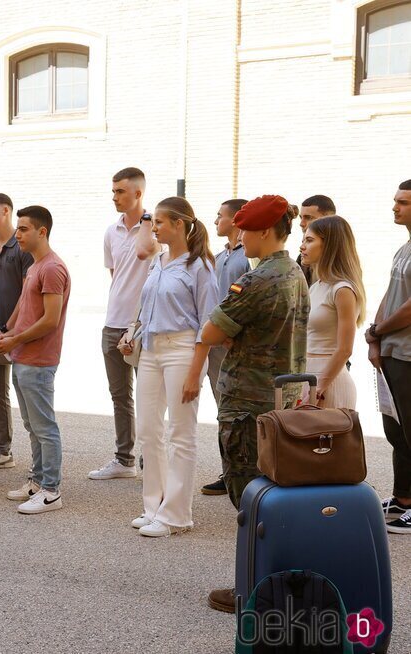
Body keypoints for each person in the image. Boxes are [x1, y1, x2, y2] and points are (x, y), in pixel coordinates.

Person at [197, 195, 309, 612]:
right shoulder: (293, 272)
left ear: (265, 232)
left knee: (251, 502)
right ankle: (287, 582)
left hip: (249, 405)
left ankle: (259, 591)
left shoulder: (259, 279)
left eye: (245, 230)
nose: (240, 237)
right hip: (283, 402)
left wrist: (228, 333)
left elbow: (211, 331)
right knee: (278, 498)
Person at [119, 198, 218, 536]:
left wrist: (196, 371)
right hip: (151, 348)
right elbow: (145, 308)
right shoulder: (158, 261)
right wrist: (131, 335)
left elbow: (209, 321)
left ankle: (177, 514)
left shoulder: (200, 266)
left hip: (183, 349)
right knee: (148, 429)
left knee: (180, 432)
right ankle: (154, 506)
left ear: (179, 224)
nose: (153, 226)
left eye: (159, 221)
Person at [0, 205, 72, 514]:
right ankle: (38, 481)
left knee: (44, 426)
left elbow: (50, 320)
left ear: (42, 231)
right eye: (17, 228)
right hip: (22, 356)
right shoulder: (35, 266)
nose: (17, 234)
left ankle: (51, 491)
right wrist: (6, 331)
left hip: (38, 359)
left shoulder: (52, 268)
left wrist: (14, 338)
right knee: (32, 424)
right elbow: (23, 307)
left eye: (24, 229)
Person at [90, 167, 158, 481]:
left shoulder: (156, 229)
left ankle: (151, 457)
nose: (115, 197)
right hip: (112, 323)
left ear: (138, 193)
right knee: (119, 395)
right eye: (113, 190)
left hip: (143, 326)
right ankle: (124, 459)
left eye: (120, 191)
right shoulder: (110, 231)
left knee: (148, 395)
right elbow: (115, 275)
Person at [368, 179, 411, 536]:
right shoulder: (404, 248)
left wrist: (381, 332)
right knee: (396, 430)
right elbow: (391, 293)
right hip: (394, 351)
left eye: (404, 203)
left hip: (409, 354)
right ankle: (403, 498)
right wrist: (375, 332)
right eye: (395, 200)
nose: (395, 207)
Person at [0, 193, 33, 470]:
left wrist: (10, 327)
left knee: (25, 392)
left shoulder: (23, 248)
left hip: (19, 333)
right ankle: (3, 451)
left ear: (6, 211)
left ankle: (39, 459)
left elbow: (27, 293)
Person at [201, 198, 250, 496]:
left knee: (239, 411)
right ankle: (228, 471)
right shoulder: (219, 257)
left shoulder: (247, 258)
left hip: (236, 344)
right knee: (223, 410)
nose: (216, 220)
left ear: (235, 220)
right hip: (216, 345)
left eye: (220, 216)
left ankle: (245, 473)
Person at [299, 215, 365, 410]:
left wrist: (320, 387)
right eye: (303, 240)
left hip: (329, 383)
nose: (302, 247)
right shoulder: (316, 287)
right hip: (308, 378)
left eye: (309, 241)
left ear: (330, 245)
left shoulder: (342, 289)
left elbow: (345, 348)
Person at [296, 195, 336, 285]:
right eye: (301, 217)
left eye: (308, 217)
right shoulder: (302, 258)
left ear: (328, 219)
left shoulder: (341, 260)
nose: (301, 223)